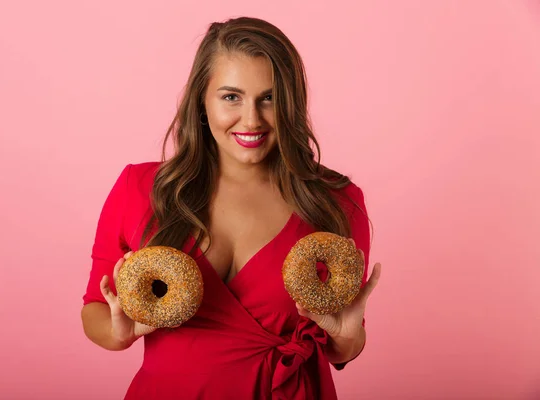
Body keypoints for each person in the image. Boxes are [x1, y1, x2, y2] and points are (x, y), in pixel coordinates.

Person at [81, 16, 381, 400]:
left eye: (269, 98)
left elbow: (342, 348)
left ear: (292, 104)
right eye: (231, 97)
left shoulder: (336, 200)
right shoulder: (139, 189)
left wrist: (348, 335)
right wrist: (118, 333)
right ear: (202, 101)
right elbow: (94, 309)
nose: (252, 119)